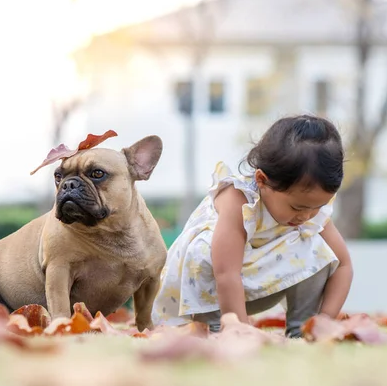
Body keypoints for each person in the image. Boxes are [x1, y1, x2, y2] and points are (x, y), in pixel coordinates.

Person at [151, 114, 353, 337]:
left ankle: (303, 329)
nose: (307, 215)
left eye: (318, 206)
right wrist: (239, 329)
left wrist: (324, 321)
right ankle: (217, 327)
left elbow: (343, 265)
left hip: (258, 283)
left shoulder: (310, 209)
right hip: (208, 291)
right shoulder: (238, 200)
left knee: (317, 246)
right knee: (206, 249)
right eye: (297, 207)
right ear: (261, 180)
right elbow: (226, 273)